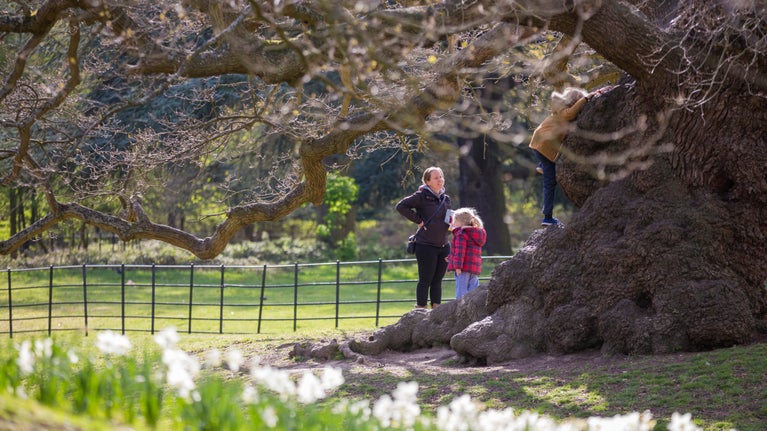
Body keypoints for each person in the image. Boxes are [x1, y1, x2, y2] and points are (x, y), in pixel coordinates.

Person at [529, 86, 610, 226]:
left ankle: (542, 165)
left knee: (551, 166)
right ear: (574, 102)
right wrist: (586, 98)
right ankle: (547, 217)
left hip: (540, 144)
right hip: (544, 146)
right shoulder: (564, 112)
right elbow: (571, 114)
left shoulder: (559, 112)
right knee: (549, 183)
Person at [396, 166, 453, 309]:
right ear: (427, 182)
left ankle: (436, 313)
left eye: (441, 177)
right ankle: (420, 311)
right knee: (425, 280)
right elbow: (401, 206)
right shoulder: (421, 196)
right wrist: (419, 221)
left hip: (444, 246)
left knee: (437, 281)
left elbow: (448, 219)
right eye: (436, 178)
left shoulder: (446, 199)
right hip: (425, 245)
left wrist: (452, 225)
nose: (440, 180)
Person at [447, 208, 487, 300]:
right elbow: (470, 250)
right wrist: (451, 258)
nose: (452, 223)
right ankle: (473, 309)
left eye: (454, 220)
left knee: (461, 293)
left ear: (461, 222)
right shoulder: (476, 233)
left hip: (462, 268)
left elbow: (460, 251)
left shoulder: (461, 234)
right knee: (473, 291)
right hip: (474, 268)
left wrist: (457, 266)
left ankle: (461, 312)